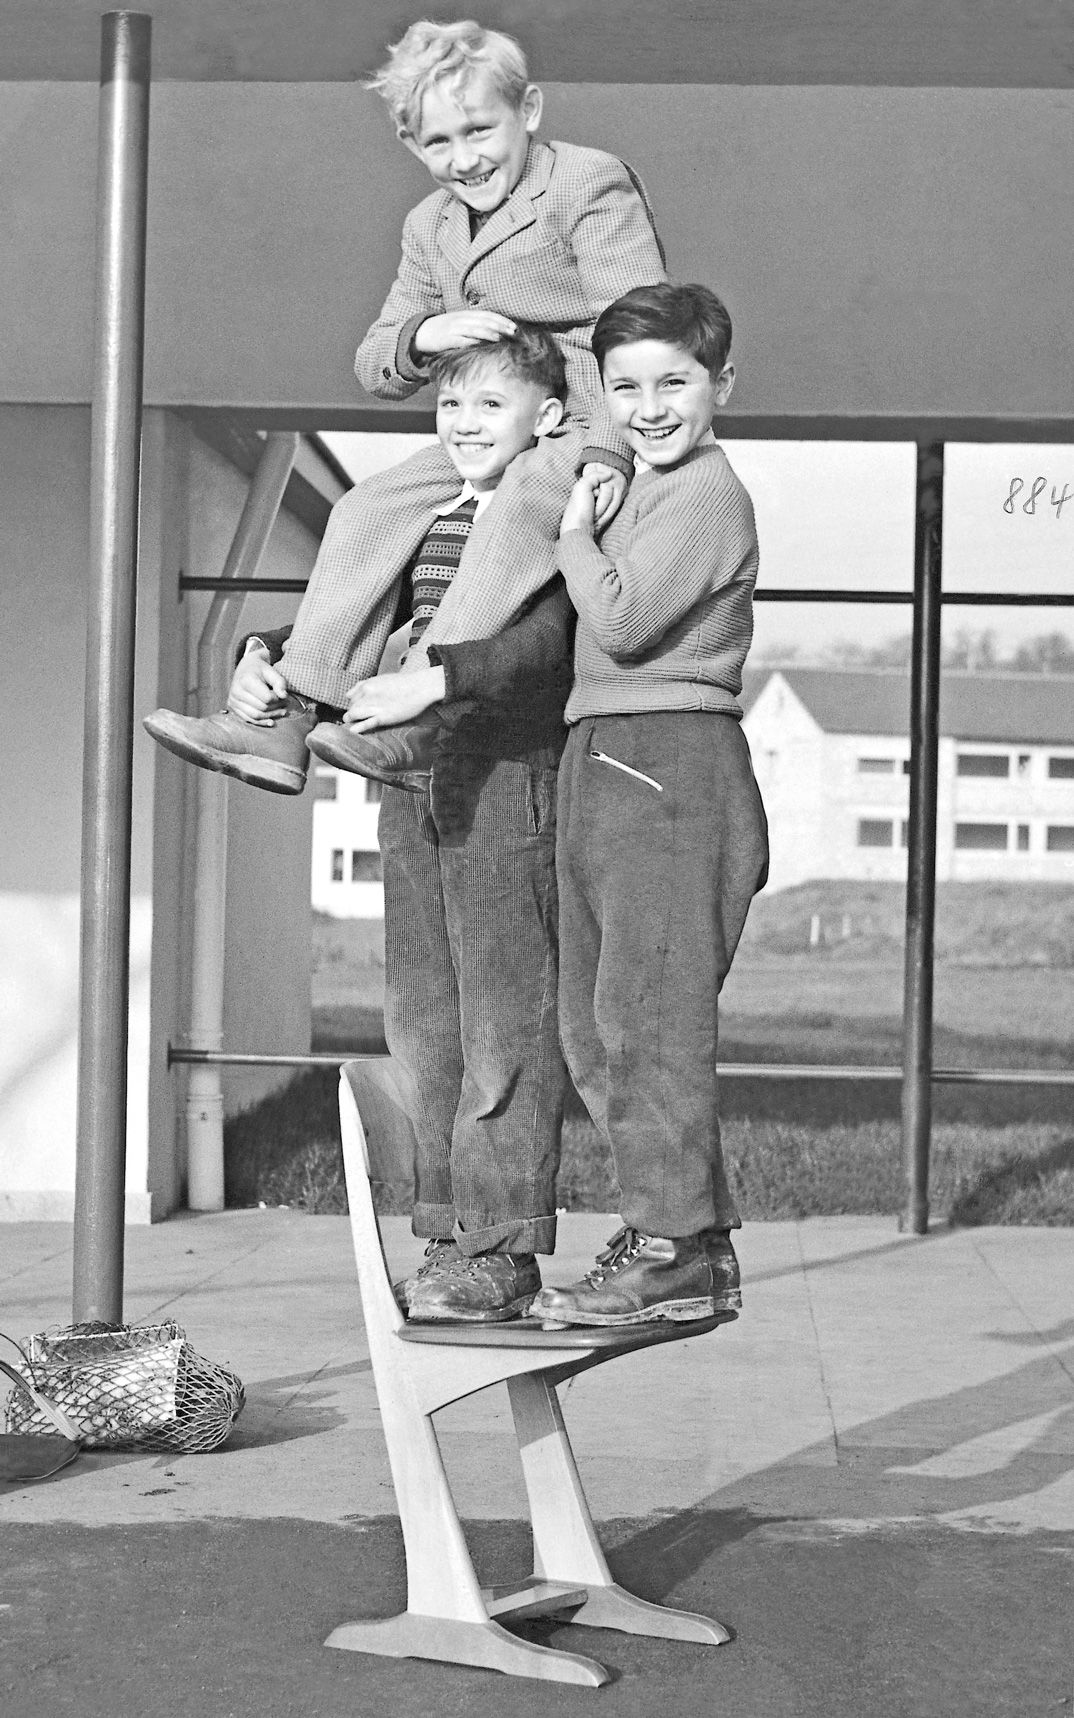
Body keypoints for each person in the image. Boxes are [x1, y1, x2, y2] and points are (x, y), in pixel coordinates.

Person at [143, 17, 665, 794]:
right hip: (489, 422)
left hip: (578, 419)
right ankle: (290, 714)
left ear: (530, 110)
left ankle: (424, 705)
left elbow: (638, 332)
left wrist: (609, 451)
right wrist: (429, 331)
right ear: (410, 144)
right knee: (369, 506)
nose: (465, 159)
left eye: (481, 130)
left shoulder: (586, 183)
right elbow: (375, 364)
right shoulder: (429, 227)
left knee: (517, 506)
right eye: (439, 143)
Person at [228, 327, 578, 1324]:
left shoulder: (550, 508)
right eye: (449, 406)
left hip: (508, 767)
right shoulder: (432, 511)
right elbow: (372, 628)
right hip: (409, 773)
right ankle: (446, 1228)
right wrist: (271, 659)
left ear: (548, 420)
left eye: (489, 405)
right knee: (421, 1015)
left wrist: (442, 679)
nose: (464, 424)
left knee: (503, 1016)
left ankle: (502, 1251)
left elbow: (550, 645)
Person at [529, 282, 770, 1329]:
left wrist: (574, 528)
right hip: (606, 752)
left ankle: (674, 1249)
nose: (650, 405)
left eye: (674, 380)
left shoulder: (709, 492)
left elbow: (621, 623)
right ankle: (684, 1235)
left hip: (671, 756)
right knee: (595, 1026)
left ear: (722, 383)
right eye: (624, 385)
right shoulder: (645, 483)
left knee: (648, 1020)